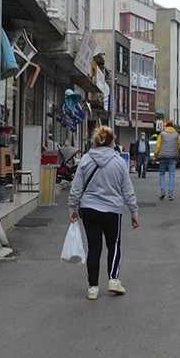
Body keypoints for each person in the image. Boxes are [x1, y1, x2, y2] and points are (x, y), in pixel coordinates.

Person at [68, 126, 140, 301]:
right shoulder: (118, 162)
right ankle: (113, 279)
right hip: (112, 210)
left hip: (89, 209)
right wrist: (134, 211)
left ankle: (93, 288)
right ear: (112, 141)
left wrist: (72, 207)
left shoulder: (85, 160)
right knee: (113, 245)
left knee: (94, 247)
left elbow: (76, 187)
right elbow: (127, 189)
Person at [154, 119, 180, 200]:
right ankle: (170, 194)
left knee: (162, 174)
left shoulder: (162, 134)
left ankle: (163, 191)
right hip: (173, 157)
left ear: (166, 126)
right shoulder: (177, 135)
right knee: (171, 175)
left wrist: (156, 155)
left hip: (162, 157)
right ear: (172, 127)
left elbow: (157, 146)